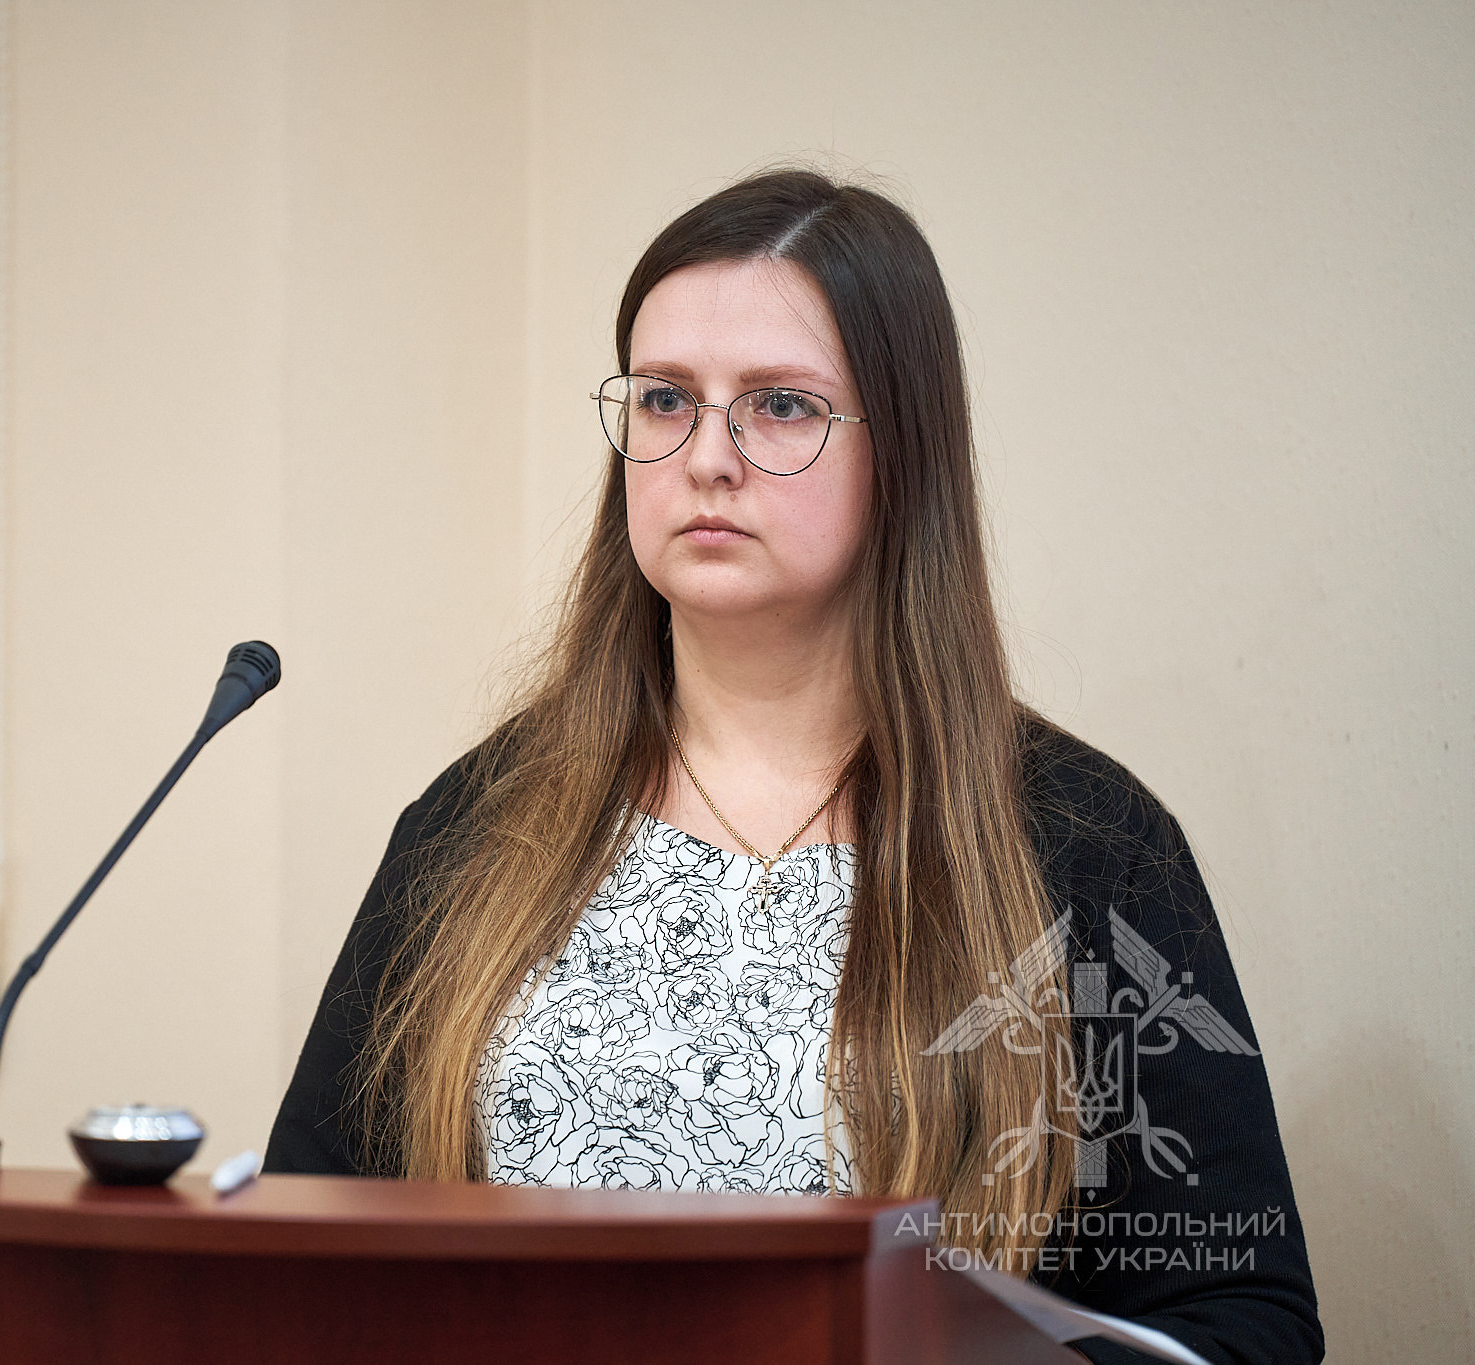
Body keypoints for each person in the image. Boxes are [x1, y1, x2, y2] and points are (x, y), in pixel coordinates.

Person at [267, 168, 1321, 1365]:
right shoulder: (477, 823)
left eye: (778, 407)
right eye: (664, 399)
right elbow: (307, 1248)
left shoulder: (1080, 842)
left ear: (900, 450)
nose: (705, 457)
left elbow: (1244, 1321)